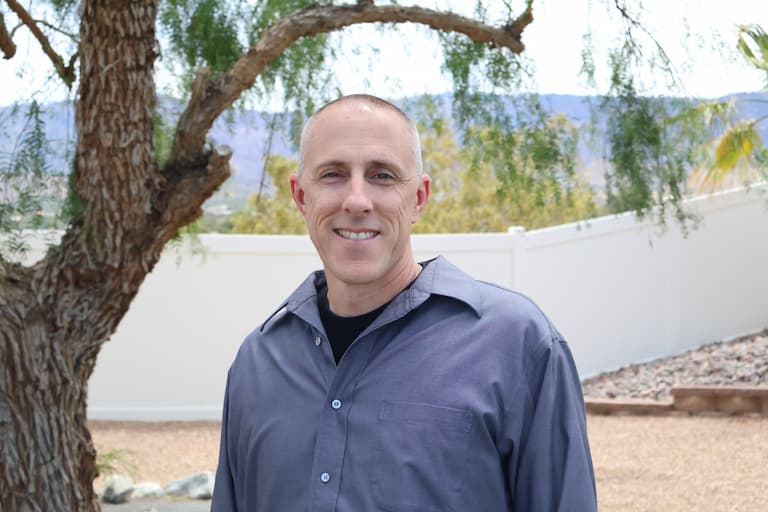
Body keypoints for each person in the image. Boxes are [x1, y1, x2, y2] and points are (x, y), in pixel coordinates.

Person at [211, 94, 597, 511]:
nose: (357, 200)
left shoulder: (518, 344)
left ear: (419, 198)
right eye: (333, 174)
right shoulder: (258, 361)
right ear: (301, 197)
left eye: (382, 175)